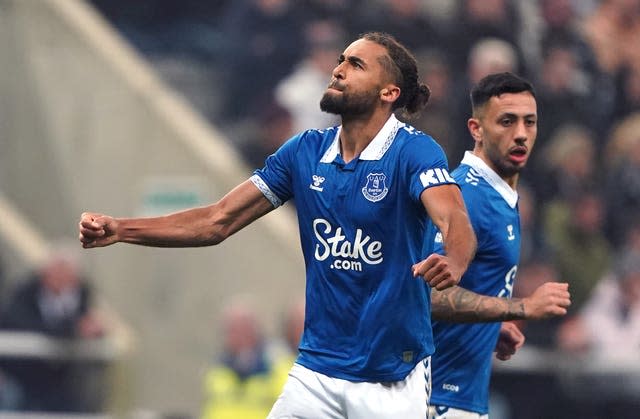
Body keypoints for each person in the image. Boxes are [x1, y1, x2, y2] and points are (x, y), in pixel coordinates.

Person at [79, 32, 477, 418]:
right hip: (316, 373)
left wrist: (455, 261)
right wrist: (121, 229)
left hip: (391, 378)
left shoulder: (414, 151)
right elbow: (217, 220)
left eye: (355, 64)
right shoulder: (303, 152)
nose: (338, 69)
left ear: (388, 92)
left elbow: (453, 218)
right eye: (340, 60)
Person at [426, 72, 571, 418]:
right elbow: (428, 295)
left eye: (529, 122)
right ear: (476, 129)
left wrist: (489, 325)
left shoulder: (500, 194)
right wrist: (519, 309)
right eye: (507, 121)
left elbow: (467, 283)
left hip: (462, 397)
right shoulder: (466, 196)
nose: (521, 134)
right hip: (437, 399)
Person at [0, 242, 105, 412]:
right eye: (57, 271)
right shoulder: (24, 294)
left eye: (65, 273)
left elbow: (86, 327)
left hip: (58, 381)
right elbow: (27, 325)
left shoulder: (81, 296)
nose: (59, 279)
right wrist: (74, 328)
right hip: (18, 374)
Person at [200, 297, 281, 419]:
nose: (239, 335)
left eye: (244, 328)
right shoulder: (216, 371)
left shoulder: (275, 367)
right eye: (233, 329)